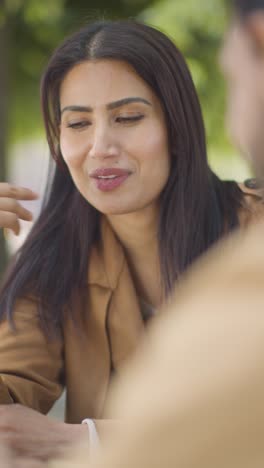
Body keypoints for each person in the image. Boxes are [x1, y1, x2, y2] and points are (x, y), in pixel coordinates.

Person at [0, 18, 263, 463]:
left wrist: (91, 439)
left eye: (128, 118)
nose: (101, 146)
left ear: (177, 128)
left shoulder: (254, 230)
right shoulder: (53, 260)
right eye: (78, 123)